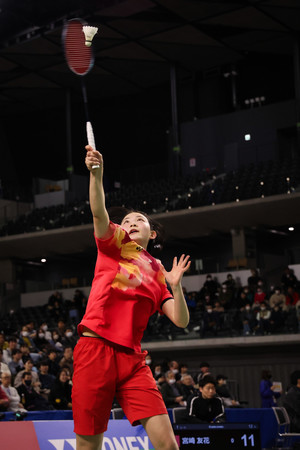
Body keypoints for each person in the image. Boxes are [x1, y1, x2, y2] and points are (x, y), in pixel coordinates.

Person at [72, 145, 191, 450]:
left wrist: (175, 286)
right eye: (126, 221)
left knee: (168, 445)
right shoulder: (115, 245)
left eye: (139, 220)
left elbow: (180, 320)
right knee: (89, 446)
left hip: (133, 361)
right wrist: (96, 175)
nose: (131, 223)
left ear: (152, 233)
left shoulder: (159, 272)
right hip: (95, 349)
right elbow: (99, 213)